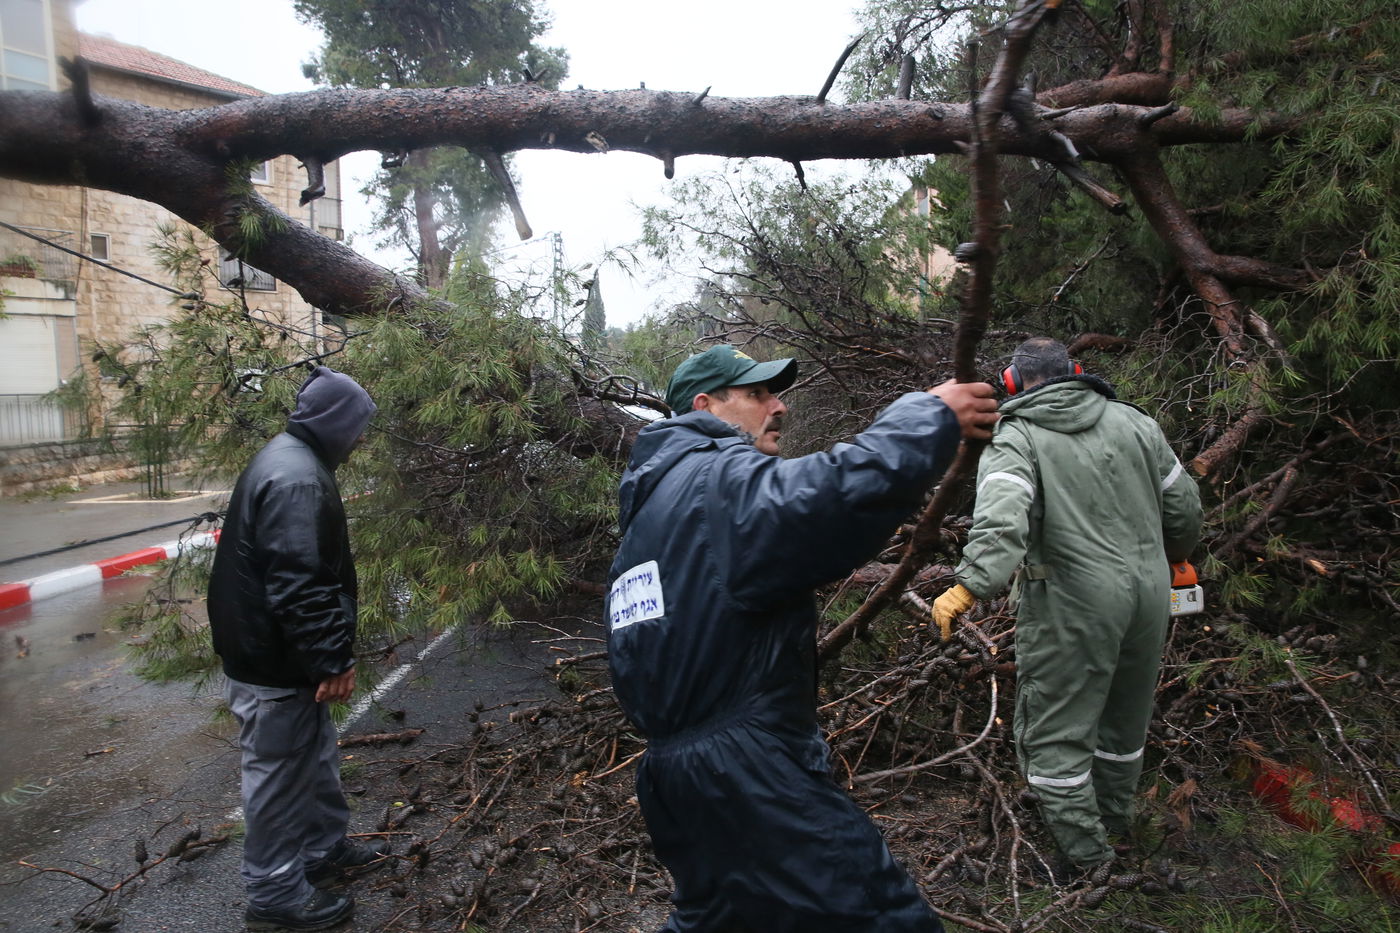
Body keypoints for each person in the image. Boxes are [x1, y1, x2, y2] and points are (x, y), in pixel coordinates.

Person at [606, 344, 1000, 932]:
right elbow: (831, 497)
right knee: (882, 919)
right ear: (705, 406)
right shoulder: (714, 481)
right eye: (757, 394)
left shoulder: (649, 512)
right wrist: (931, 415)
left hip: (675, 780)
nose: (779, 406)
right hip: (750, 776)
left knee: (719, 919)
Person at [932, 337, 1203, 876]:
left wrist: (970, 585)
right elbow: (1185, 509)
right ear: (1076, 371)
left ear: (1011, 382)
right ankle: (1114, 823)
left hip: (1072, 602)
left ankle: (1087, 858)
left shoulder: (1018, 434)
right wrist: (1170, 558)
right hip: (1149, 597)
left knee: (1055, 731)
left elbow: (1003, 517)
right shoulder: (1136, 422)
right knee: (1124, 722)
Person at [208, 366, 385, 932]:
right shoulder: (298, 480)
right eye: (359, 426)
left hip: (280, 655)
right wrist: (331, 659)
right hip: (275, 662)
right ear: (337, 423)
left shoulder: (291, 459)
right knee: (279, 775)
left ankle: (321, 850)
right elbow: (299, 583)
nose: (361, 439)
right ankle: (275, 894)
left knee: (314, 755)